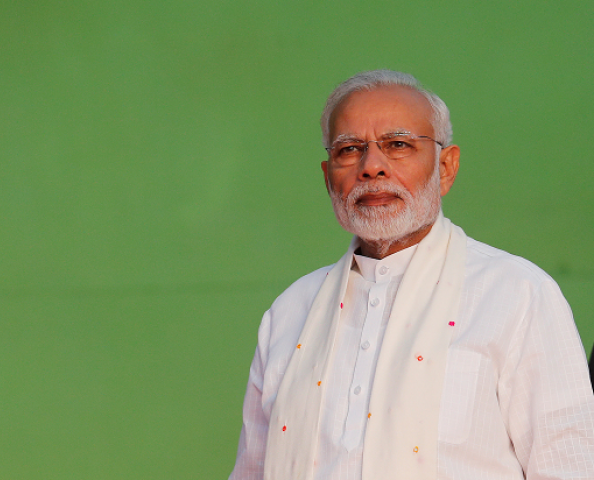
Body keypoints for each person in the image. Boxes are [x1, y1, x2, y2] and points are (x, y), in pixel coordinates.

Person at [228, 70, 594, 480]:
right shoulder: (290, 313)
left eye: (398, 145)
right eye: (349, 149)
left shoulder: (516, 294)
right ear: (328, 177)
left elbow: (570, 466)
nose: (372, 167)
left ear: (446, 167)